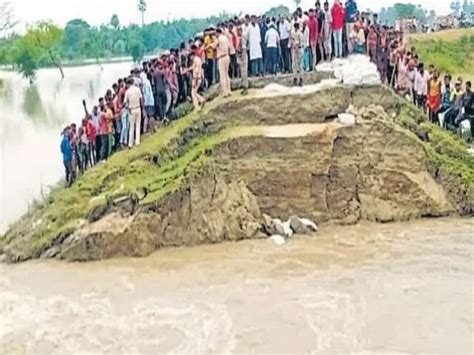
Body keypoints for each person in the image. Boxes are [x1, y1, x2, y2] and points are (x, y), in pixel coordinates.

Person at [124, 77, 143, 148]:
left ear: (128, 84)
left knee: (131, 127)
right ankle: (137, 142)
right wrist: (142, 108)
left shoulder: (127, 92)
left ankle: (130, 144)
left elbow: (125, 103)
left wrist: (127, 107)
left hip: (131, 110)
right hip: (138, 108)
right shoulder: (137, 89)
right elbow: (141, 99)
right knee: (138, 125)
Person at [187, 44, 206, 110]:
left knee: (193, 93)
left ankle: (197, 106)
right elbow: (193, 67)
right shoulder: (198, 59)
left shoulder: (195, 60)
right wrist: (187, 69)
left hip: (196, 78)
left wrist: (195, 79)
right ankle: (201, 100)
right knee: (194, 92)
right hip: (199, 77)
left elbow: (196, 70)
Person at [215, 27, 232, 97]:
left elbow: (214, 46)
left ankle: (225, 92)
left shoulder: (218, 39)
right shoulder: (225, 38)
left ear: (217, 33)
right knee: (226, 75)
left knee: (222, 75)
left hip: (222, 57)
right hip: (227, 56)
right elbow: (229, 47)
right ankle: (229, 90)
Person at [238, 21, 249, 94]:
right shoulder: (240, 38)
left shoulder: (243, 38)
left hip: (243, 57)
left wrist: (242, 57)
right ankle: (244, 87)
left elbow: (244, 48)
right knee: (242, 73)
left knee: (244, 73)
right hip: (241, 56)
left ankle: (245, 87)